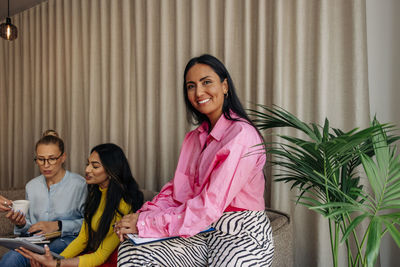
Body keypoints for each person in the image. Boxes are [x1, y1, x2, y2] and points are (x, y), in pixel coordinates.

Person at [115, 54, 274, 266]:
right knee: (134, 250)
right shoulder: (194, 138)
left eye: (206, 82)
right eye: (191, 86)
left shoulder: (241, 135)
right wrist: (139, 217)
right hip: (201, 228)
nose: (198, 92)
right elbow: (177, 192)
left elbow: (209, 206)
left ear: (225, 86)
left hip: (241, 233)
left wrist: (145, 223)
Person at [18, 143, 144, 267]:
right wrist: (56, 260)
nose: (87, 170)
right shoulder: (95, 193)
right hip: (93, 256)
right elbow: (83, 238)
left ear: (111, 172)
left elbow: (100, 256)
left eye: (95, 166)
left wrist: (57, 264)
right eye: (88, 164)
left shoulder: (123, 205)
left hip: (113, 261)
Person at [0, 130, 88, 267]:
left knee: (41, 255)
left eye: (52, 158)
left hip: (66, 240)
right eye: (41, 159)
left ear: (63, 157)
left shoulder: (80, 184)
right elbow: (28, 227)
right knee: (10, 259)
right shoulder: (31, 186)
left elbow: (91, 223)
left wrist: (58, 225)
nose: (46, 165)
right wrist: (21, 223)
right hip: (35, 241)